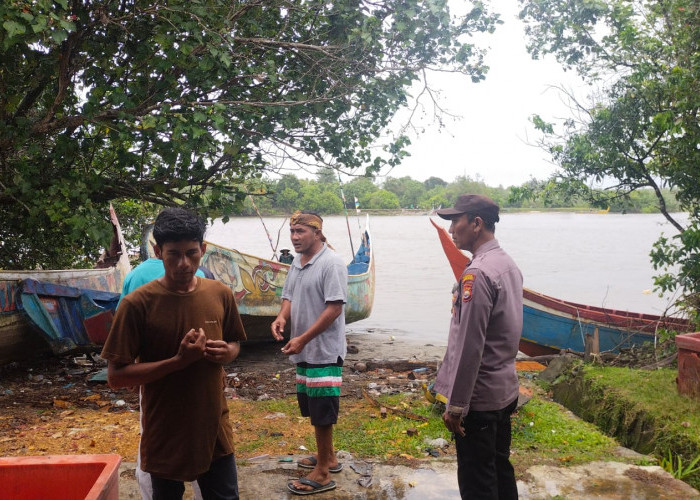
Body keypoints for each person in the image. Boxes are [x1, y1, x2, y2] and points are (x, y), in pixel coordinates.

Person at [101, 207, 246, 500]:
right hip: (165, 430)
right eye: (174, 254)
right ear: (158, 251)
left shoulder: (220, 293)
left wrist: (226, 353)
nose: (183, 263)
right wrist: (178, 362)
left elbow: (235, 343)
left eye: (192, 253)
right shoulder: (137, 304)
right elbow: (116, 377)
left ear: (203, 249)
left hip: (214, 427)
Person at [434, 194, 523, 500]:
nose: (450, 230)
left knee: (478, 483)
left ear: (476, 224)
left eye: (455, 222)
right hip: (504, 390)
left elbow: (470, 346)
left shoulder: (478, 273)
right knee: (499, 468)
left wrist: (456, 405)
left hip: (480, 399)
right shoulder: (506, 263)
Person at [118, 257, 209, 500]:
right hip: (197, 381)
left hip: (154, 381)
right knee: (203, 440)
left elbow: (123, 337)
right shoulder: (202, 273)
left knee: (152, 442)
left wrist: (134, 374)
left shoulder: (135, 277)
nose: (183, 264)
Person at [271, 211, 348, 496]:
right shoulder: (297, 262)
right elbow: (289, 295)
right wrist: (281, 317)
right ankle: (328, 456)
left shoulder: (332, 263)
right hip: (304, 347)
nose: (294, 237)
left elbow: (335, 308)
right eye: (292, 232)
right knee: (314, 406)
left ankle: (324, 472)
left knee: (322, 411)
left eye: (301, 231)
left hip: (324, 350)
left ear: (317, 233)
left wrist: (303, 337)